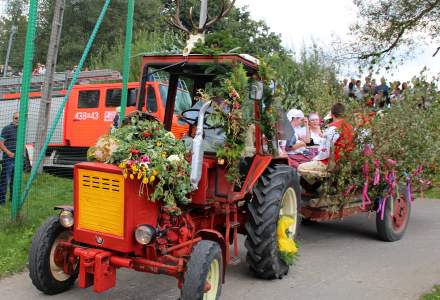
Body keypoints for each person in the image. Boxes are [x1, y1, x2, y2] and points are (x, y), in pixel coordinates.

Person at [297, 103, 354, 177]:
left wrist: (315, 159)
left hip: (331, 163)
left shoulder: (332, 128)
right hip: (346, 161)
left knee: (300, 168)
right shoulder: (350, 126)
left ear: (332, 115)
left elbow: (325, 152)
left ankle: (328, 176)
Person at [0, 112, 19, 206]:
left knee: (15, 181)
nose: (18, 120)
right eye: (16, 118)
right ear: (13, 119)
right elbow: (1, 143)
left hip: (18, 160)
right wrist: (8, 152)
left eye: (20, 118)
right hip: (8, 159)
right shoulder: (7, 128)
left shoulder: (21, 130)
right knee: (5, 180)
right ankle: (1, 201)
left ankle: (12, 200)